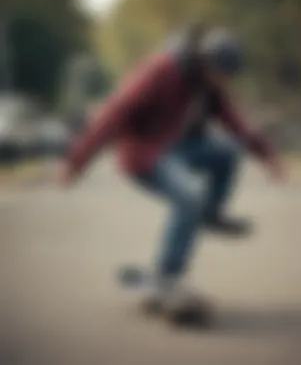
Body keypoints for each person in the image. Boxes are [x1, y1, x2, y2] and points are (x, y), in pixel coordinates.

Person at [57, 27, 284, 301]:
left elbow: (235, 122)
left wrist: (267, 156)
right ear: (205, 62)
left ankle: (210, 214)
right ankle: (168, 276)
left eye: (227, 78)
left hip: (178, 150)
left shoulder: (209, 86)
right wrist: (77, 162)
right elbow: (115, 112)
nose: (221, 83)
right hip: (143, 154)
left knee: (227, 152)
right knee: (189, 195)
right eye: (220, 75)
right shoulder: (161, 71)